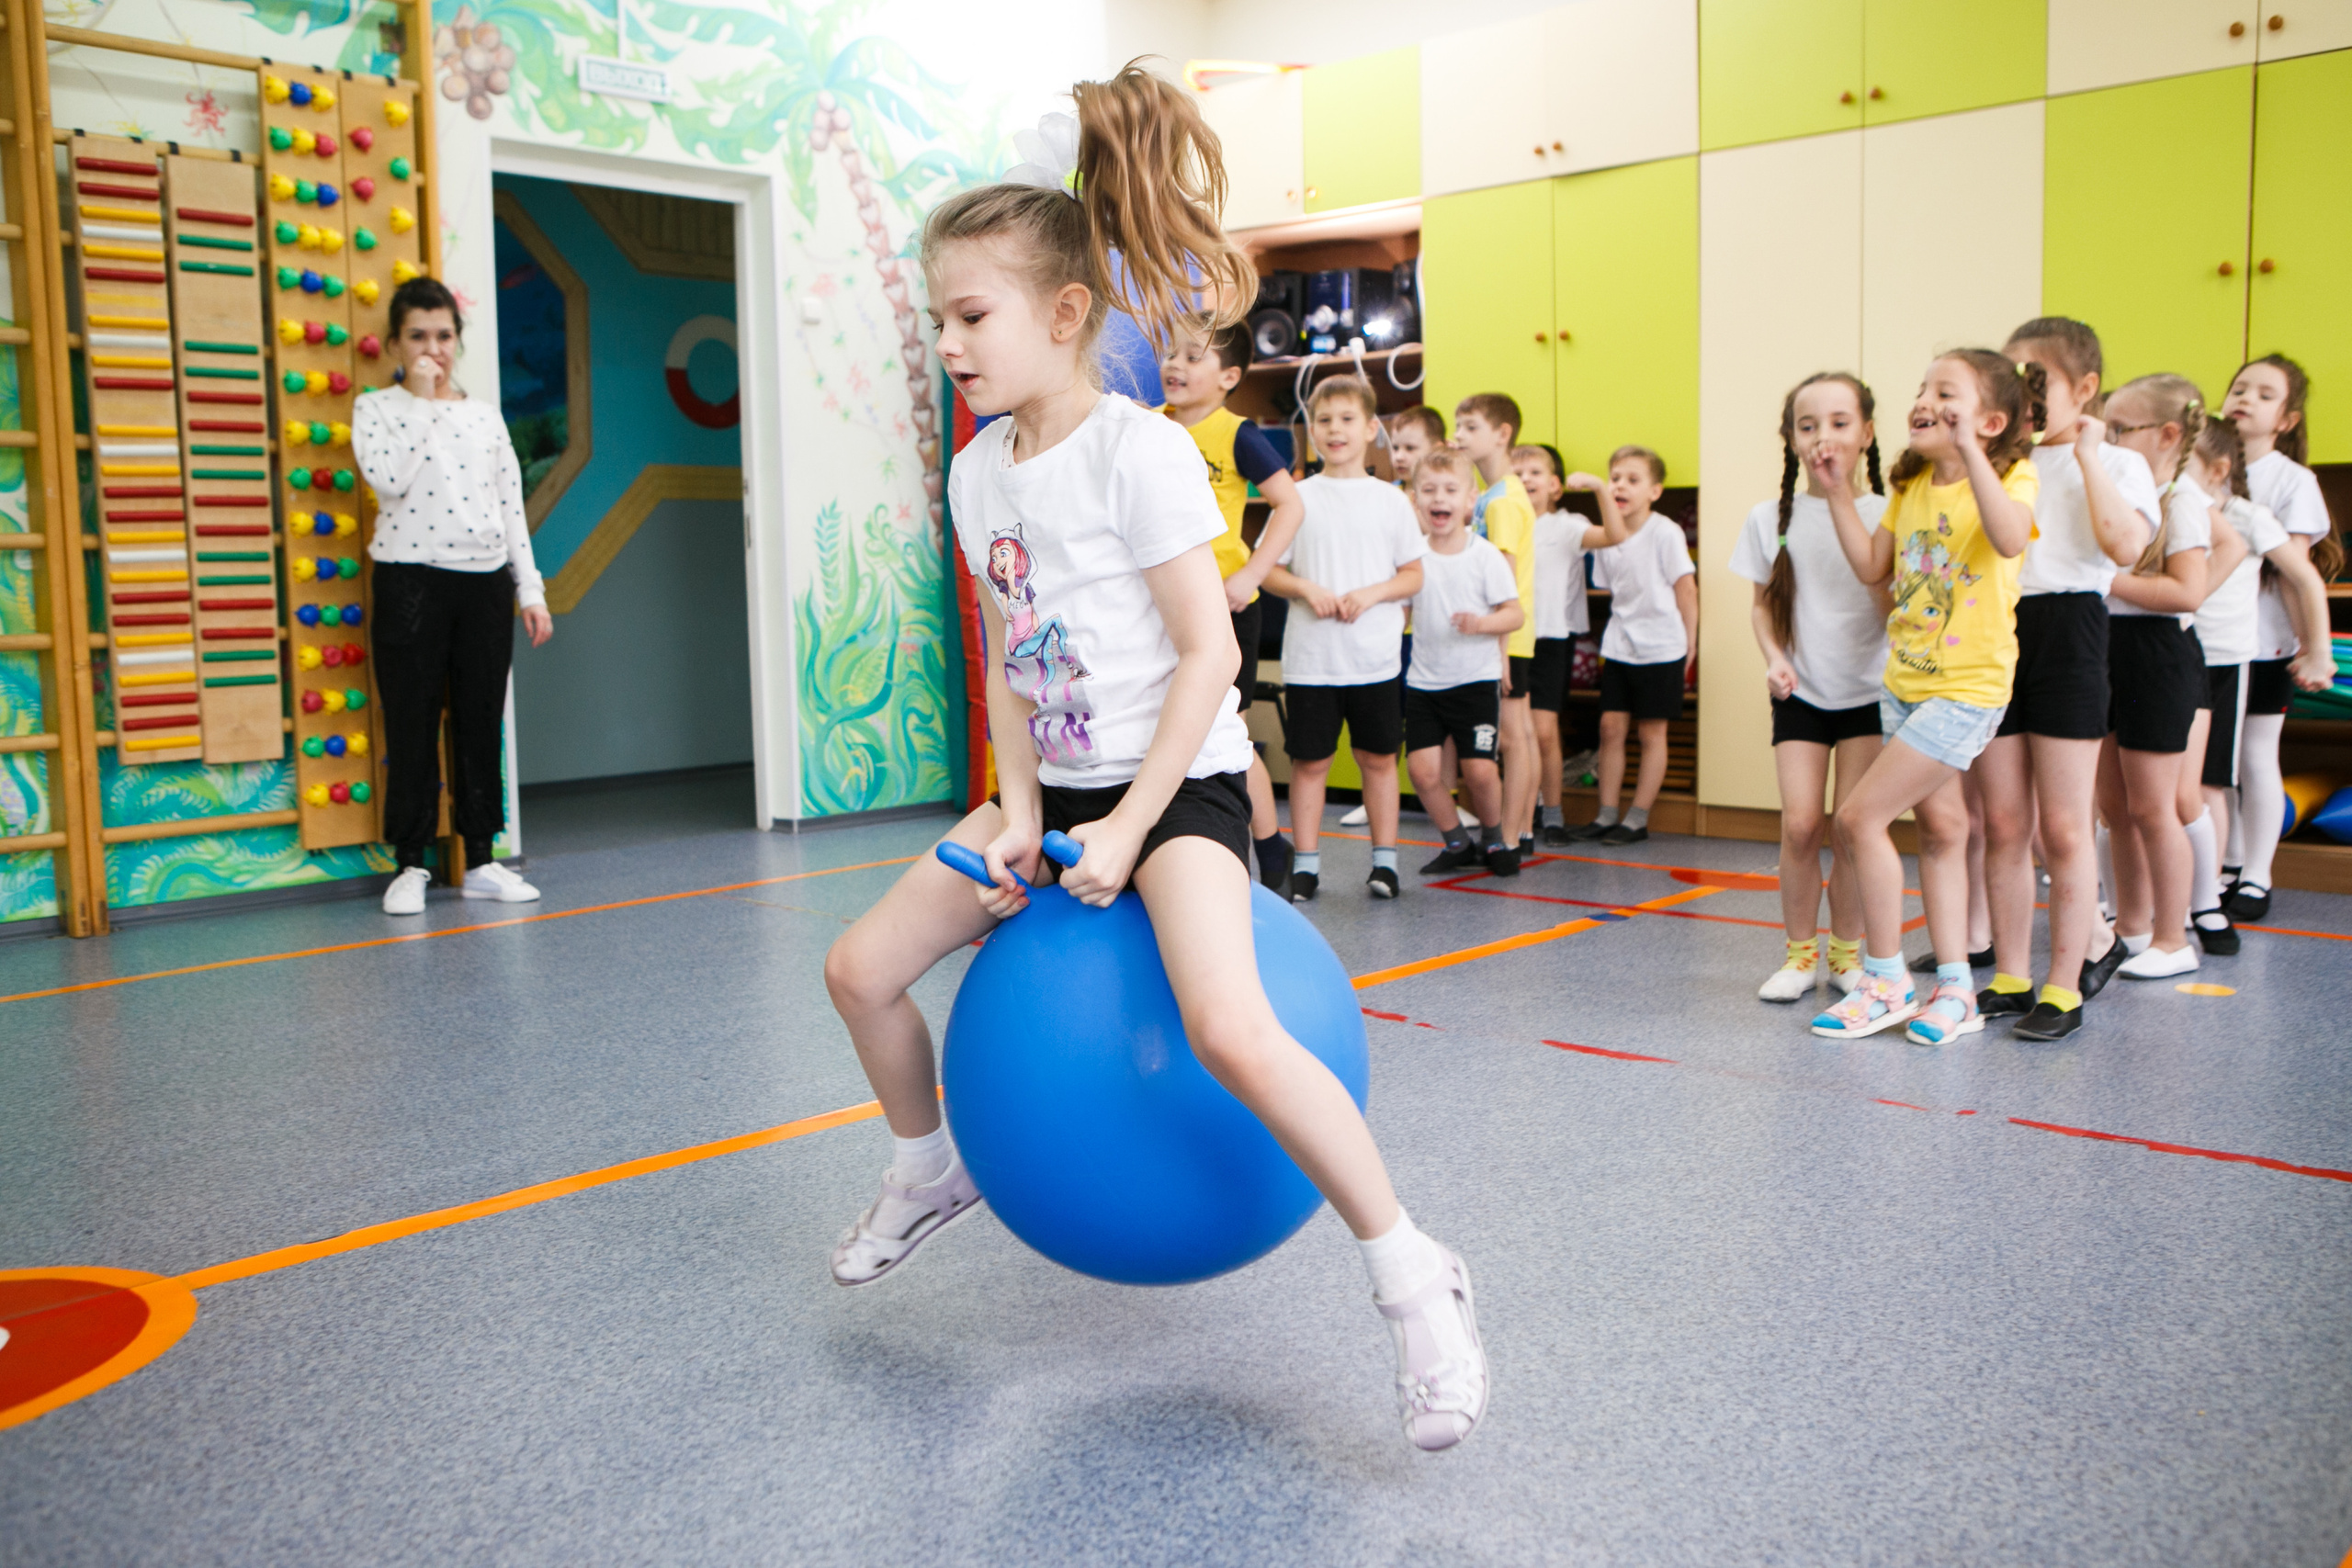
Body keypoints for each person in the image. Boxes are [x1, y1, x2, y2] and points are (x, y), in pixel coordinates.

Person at [820, 68, 1486, 1453]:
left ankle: (1415, 1274)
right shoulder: (978, 469)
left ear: (1065, 316)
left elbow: (1211, 658)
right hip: (1050, 791)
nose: (949, 341)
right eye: (940, 315)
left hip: (1173, 786)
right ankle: (926, 1165)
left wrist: (1124, 826)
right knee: (861, 968)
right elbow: (1011, 650)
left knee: (1233, 1027)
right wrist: (1015, 808)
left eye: (971, 314)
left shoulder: (1146, 457)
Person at [1812, 350, 2041, 1044]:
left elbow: (2007, 539)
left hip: (1968, 688)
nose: (1925, 399)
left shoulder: (2010, 475)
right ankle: (1956, 990)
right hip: (1905, 682)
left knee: (1857, 819)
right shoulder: (1911, 485)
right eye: (1923, 388)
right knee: (1941, 834)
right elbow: (1873, 567)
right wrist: (1840, 495)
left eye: (1946, 392)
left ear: (1992, 421)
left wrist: (1972, 450)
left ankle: (1883, 982)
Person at [1973, 318, 2158, 1041]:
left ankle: (2065, 983)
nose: (2024, 395)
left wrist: (2087, 455)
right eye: (2012, 381)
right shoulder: (2004, 463)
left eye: (2037, 381)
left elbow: (2125, 547)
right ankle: (2014, 976)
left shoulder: (2118, 463)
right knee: (2005, 822)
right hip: (1999, 633)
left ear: (2083, 389)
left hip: (2072, 632)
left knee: (2064, 824)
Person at [353, 276, 553, 918]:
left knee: (478, 722)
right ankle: (410, 861)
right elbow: (387, 480)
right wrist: (420, 399)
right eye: (418, 336)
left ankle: (482, 856)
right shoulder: (377, 408)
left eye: (443, 336)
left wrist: (530, 588)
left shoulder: (485, 414)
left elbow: (509, 506)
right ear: (395, 343)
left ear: (458, 341)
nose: (432, 349)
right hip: (410, 579)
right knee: (411, 722)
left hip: (484, 582)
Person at [1730, 373, 1887, 1002]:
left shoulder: (1886, 513)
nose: (1824, 436)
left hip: (1870, 694)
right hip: (1801, 692)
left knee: (1852, 828)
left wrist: (1843, 498)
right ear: (1791, 439)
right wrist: (1773, 657)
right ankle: (1800, 956)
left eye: (1840, 422)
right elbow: (1762, 607)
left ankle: (1847, 954)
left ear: (1867, 433)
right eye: (1808, 424)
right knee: (1800, 825)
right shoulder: (1768, 518)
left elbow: (1889, 601)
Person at [1262, 377, 1425, 900]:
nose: (1335, 430)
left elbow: (1413, 575)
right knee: (1310, 764)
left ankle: (1385, 863)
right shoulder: (1296, 498)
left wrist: (1372, 593)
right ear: (1312, 431)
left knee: (1379, 760)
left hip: (1375, 660)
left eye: (1347, 419)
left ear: (1371, 428)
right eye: (1324, 420)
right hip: (1313, 660)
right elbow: (1269, 571)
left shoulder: (1392, 501)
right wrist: (1307, 588)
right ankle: (1306, 866)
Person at [1159, 320, 1306, 894]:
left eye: (1193, 357)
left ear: (1229, 378)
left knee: (1226, 733)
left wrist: (1251, 574)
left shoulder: (1236, 434)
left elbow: (1288, 506)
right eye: (1170, 353)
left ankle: (1271, 849)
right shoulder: (1147, 426)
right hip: (1166, 609)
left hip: (1226, 607)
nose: (1175, 364)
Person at [2185, 416, 2335, 949]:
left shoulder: (2248, 515)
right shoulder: (2169, 511)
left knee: (2213, 780)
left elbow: (2304, 578)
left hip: (2227, 663)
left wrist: (2317, 649)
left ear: (2217, 469)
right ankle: (2186, 890)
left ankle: (2218, 889)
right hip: (2173, 657)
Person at [2093, 375, 2222, 980]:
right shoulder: (2122, 494)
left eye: (2121, 429)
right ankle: (2133, 925)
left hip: (2158, 656)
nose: (2110, 439)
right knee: (2115, 805)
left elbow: (2186, 590)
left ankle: (2174, 936)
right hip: (2107, 649)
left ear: (2168, 435)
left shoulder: (2181, 499)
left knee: (2153, 806)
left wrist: (2106, 581)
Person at [2220, 353, 2342, 922]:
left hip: (2265, 643)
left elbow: (2297, 574)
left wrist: (2311, 646)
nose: (2245, 399)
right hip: (2210, 643)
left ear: (2287, 420)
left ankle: (2256, 873)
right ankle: (2224, 862)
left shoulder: (2293, 481)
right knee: (2212, 765)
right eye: (2239, 388)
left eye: (2264, 394)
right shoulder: (2206, 470)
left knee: (2255, 755)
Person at [1404, 447, 1524, 875]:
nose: (1441, 498)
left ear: (1470, 500)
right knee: (1421, 771)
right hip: (1423, 683)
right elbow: (1400, 612)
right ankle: (1457, 842)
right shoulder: (1412, 557)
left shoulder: (1485, 555)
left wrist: (1482, 623)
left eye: (1451, 490)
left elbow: (1515, 613)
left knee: (1479, 770)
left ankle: (1493, 839)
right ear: (1416, 499)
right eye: (1430, 490)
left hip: (1475, 679)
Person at [1566, 446, 1695, 847]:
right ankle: (1607, 815)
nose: (1621, 485)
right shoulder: (1608, 533)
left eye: (1632, 480)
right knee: (1610, 729)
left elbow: (1686, 590)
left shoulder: (1666, 532)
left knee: (1652, 733)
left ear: (1654, 491)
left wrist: (1690, 648)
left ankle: (1636, 819)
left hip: (1662, 648)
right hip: (1621, 645)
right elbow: (1608, 588)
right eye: (1616, 478)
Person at [1514, 443, 1632, 846]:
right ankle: (1518, 814)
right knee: (1514, 733)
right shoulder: (1499, 521)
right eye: (1517, 473)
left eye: (1534, 472)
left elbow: (1616, 534)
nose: (1524, 479)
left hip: (1549, 640)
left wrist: (1601, 488)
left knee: (1543, 731)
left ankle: (1552, 815)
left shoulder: (1566, 524)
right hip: (1507, 640)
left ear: (1554, 487)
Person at [1453, 394, 1537, 871]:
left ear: (1502, 434)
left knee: (1513, 738)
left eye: (1469, 427)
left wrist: (1500, 651)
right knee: (1518, 734)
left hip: (1509, 640)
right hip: (1508, 639)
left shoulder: (1503, 500)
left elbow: (1503, 582)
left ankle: (1507, 836)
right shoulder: (1493, 495)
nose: (1459, 436)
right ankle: (1514, 833)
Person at [1386, 406, 1445, 495]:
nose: (1399, 457)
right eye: (1395, 448)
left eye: (1410, 448)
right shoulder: (1389, 492)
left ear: (1436, 450)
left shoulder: (1445, 495)